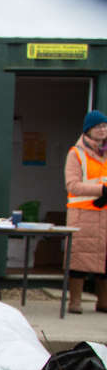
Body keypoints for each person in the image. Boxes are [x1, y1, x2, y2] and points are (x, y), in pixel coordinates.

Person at [65, 109, 107, 314]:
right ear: (88, 130)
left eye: (105, 126)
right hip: (83, 215)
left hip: (104, 215)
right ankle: (75, 302)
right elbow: (72, 185)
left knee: (104, 261)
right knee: (79, 260)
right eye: (98, 126)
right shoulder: (76, 154)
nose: (102, 130)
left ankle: (103, 302)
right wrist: (102, 190)